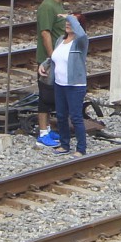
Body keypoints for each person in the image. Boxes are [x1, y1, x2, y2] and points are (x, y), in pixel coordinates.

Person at [32, 0, 69, 148]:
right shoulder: (47, 7)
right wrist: (51, 56)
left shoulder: (58, 4)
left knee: (52, 94)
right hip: (48, 60)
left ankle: (47, 128)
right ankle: (43, 132)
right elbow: (45, 33)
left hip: (58, 57)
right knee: (45, 96)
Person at [48, 13, 89, 156]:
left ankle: (81, 148)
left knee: (75, 116)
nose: (67, 24)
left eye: (71, 22)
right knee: (61, 115)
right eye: (66, 22)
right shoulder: (60, 40)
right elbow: (55, 57)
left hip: (75, 85)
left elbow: (82, 35)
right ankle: (64, 145)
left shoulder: (80, 42)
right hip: (60, 84)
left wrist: (71, 17)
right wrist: (45, 64)